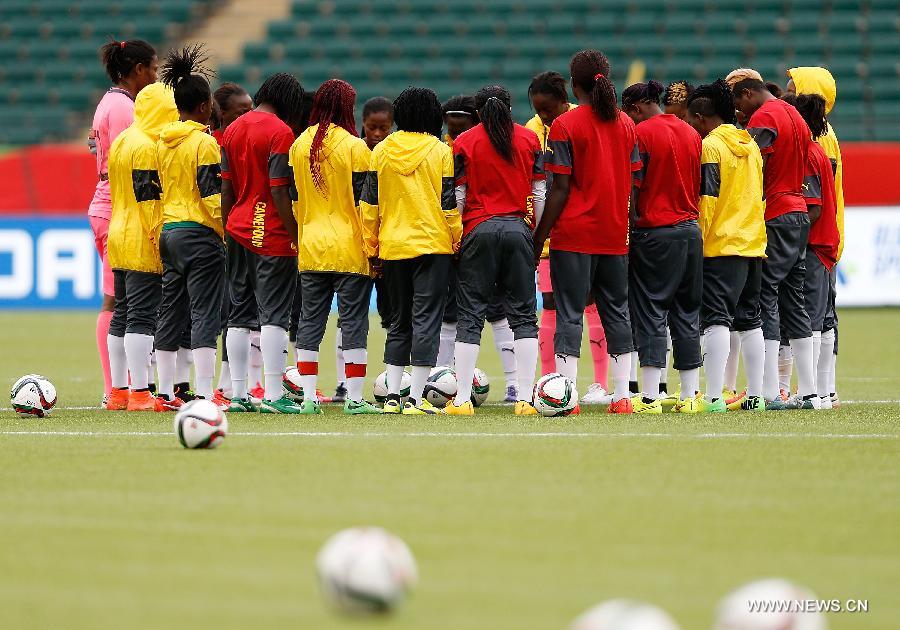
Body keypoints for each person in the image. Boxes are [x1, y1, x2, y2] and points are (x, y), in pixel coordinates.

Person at [533, 49, 640, 414]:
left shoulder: (565, 125)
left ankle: (568, 399)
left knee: (568, 313)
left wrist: (539, 237)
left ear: (574, 84)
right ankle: (623, 397)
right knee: (616, 313)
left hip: (575, 235)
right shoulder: (626, 124)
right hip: (614, 234)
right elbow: (634, 182)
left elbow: (559, 189)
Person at [443, 85, 545, 416]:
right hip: (518, 230)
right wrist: (537, 236)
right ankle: (526, 400)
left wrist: (458, 237)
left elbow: (458, 196)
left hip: (478, 230)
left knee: (470, 315)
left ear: (478, 110)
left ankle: (460, 401)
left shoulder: (465, 141)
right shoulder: (529, 139)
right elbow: (540, 193)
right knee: (524, 317)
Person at [360, 87, 462, 414]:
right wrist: (456, 238)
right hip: (433, 246)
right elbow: (448, 205)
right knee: (427, 321)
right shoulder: (441, 151)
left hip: (392, 246)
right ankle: (416, 400)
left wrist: (371, 246)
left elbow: (369, 205)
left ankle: (392, 398)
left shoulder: (381, 150)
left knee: (399, 321)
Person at [288, 79, 382, 415]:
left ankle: (310, 398)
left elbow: (295, 200)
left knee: (309, 321)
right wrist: (373, 247)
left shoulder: (298, 146)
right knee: (354, 321)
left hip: (311, 245)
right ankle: (355, 399)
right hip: (349, 246)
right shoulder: (356, 147)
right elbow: (366, 204)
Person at [729, 68, 817, 410]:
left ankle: (766, 390)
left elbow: (753, 165)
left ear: (749, 93)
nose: (739, 113)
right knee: (794, 300)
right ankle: (811, 391)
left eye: (738, 104)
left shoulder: (765, 116)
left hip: (776, 213)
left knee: (764, 292)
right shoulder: (793, 112)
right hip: (798, 211)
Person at [221, 72, 306, 414]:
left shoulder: (233, 128)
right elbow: (278, 189)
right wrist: (295, 234)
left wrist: (228, 228)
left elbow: (226, 188)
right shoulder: (280, 132)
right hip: (270, 232)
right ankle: (273, 393)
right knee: (274, 316)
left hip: (238, 228)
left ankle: (238, 394)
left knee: (238, 315)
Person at [526, 70, 610, 406]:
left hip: (582, 228)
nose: (543, 116)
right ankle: (550, 381)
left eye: (548, 109)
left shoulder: (579, 122)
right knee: (549, 304)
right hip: (547, 234)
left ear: (565, 100)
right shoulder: (532, 132)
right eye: (538, 110)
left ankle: (600, 384)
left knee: (590, 303)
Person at [620, 80, 703, 413]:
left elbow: (635, 188)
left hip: (655, 232)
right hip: (690, 230)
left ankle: (652, 395)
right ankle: (690, 396)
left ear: (636, 108)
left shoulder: (641, 135)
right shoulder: (691, 133)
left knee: (651, 311)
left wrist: (629, 225)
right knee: (686, 312)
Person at [686, 80, 768, 412]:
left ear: (702, 117)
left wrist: (699, 241)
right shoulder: (751, 144)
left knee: (716, 320)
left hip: (720, 245)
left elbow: (708, 199)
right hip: (753, 244)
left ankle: (714, 397)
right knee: (751, 320)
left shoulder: (711, 147)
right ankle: (757, 396)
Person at [154, 45, 225, 409]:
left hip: (169, 232)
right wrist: (223, 231)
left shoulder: (163, 142)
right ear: (203, 106)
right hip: (199, 234)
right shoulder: (205, 143)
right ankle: (202, 392)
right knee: (204, 313)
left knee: (171, 310)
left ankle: (164, 392)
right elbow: (211, 195)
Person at [437, 94, 520, 402]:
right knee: (449, 312)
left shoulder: (478, 146)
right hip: (448, 240)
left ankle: (513, 384)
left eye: (461, 128)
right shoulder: (441, 149)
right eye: (451, 128)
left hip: (476, 235)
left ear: (475, 123)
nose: (456, 135)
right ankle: (441, 379)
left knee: (497, 309)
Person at [90, 39, 158, 407]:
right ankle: (115, 387)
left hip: (108, 205)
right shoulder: (124, 110)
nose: (156, 75)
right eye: (153, 68)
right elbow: (126, 166)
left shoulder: (109, 103)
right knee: (116, 302)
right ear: (138, 71)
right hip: (118, 209)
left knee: (120, 301)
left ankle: (123, 385)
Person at [106, 83, 178, 411]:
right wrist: (159, 242)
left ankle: (119, 391)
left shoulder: (123, 140)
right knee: (141, 317)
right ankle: (139, 392)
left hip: (118, 235)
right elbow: (149, 200)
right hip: (140, 239)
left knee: (121, 314)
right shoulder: (148, 146)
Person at [786, 66, 844, 408]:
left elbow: (816, 196)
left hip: (815, 236)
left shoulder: (817, 139)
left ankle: (820, 391)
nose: (788, 95)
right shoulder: (827, 134)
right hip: (828, 234)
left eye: (794, 89)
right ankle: (825, 389)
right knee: (823, 314)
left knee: (813, 313)